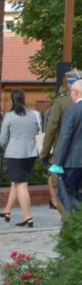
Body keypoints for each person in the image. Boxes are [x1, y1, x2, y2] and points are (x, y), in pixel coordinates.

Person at [0, 89, 41, 227]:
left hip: (15, 153)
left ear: (11, 100)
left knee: (21, 184)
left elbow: (3, 138)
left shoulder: (10, 116)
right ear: (24, 99)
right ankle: (7, 210)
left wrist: (7, 147)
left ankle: (28, 217)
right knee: (16, 182)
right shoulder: (35, 114)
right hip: (31, 152)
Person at [42, 70, 81, 216]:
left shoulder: (62, 101)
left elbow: (52, 129)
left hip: (65, 155)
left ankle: (69, 225)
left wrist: (45, 154)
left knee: (62, 191)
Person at [53, 80, 82, 211]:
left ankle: (75, 223)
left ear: (75, 92)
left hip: (72, 161)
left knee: (68, 194)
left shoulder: (71, 111)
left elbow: (65, 138)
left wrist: (58, 162)